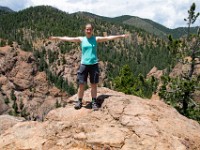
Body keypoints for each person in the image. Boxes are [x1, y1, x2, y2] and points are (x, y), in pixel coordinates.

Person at [49, 23, 129, 111]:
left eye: (90, 29)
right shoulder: (82, 39)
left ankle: (94, 102)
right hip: (84, 65)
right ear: (85, 30)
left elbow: (108, 38)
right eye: (87, 29)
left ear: (92, 30)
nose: (88, 31)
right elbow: (68, 38)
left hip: (94, 64)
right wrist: (57, 38)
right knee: (81, 84)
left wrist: (121, 36)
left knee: (93, 85)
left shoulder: (96, 39)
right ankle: (79, 101)